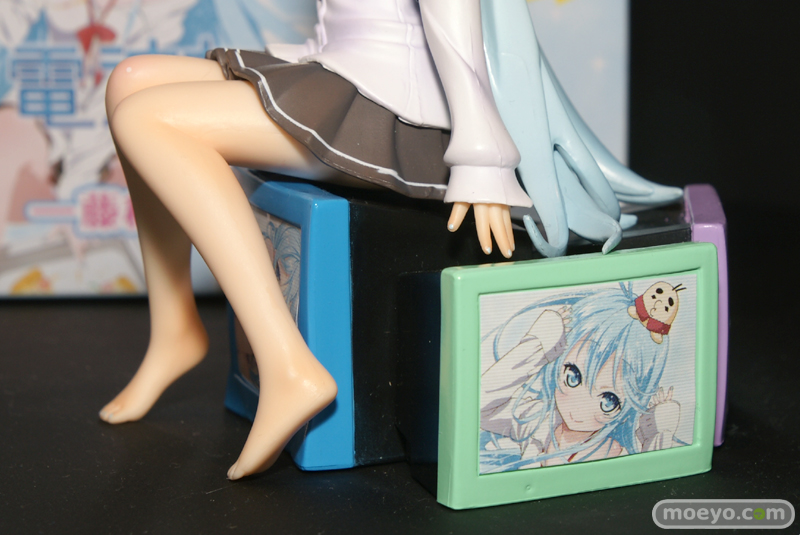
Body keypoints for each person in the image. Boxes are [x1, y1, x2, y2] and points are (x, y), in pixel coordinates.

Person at [101, 0, 525, 480]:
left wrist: (484, 159)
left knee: (145, 119)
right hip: (340, 70)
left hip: (395, 112)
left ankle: (288, 367)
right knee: (129, 80)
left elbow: (454, 19)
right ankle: (174, 327)